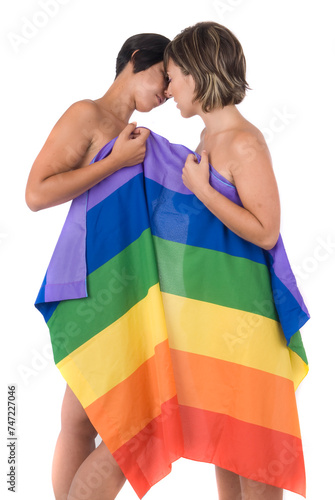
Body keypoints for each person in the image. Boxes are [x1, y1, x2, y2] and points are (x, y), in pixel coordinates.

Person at [25, 32, 170, 500]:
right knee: (121, 421)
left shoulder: (137, 134)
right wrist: (116, 162)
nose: (168, 90)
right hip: (89, 280)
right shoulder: (88, 114)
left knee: (81, 416)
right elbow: (36, 193)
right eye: (164, 75)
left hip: (119, 282)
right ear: (135, 59)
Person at [164, 21, 303, 500]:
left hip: (248, 321)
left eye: (173, 74)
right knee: (228, 448)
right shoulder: (204, 143)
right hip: (213, 318)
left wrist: (202, 190)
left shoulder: (243, 141)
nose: (168, 87)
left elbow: (266, 231)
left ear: (200, 76)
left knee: (258, 450)